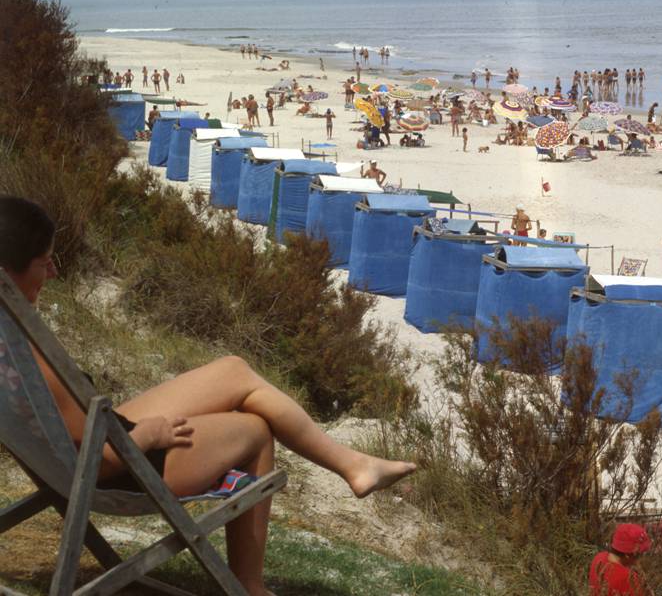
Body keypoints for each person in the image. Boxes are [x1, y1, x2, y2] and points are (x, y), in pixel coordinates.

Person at [0, 196, 416, 596]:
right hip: (123, 461)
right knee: (254, 429)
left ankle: (354, 466)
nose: (53, 272)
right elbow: (99, 463)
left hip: (99, 441)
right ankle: (250, 586)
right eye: (44, 262)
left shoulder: (9, 334)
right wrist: (148, 435)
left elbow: (72, 432)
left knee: (233, 370)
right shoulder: (29, 353)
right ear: (8, 269)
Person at [588, 523, 652, 596]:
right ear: (627, 555)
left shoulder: (599, 558)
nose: (640, 558)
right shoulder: (629, 579)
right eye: (640, 554)